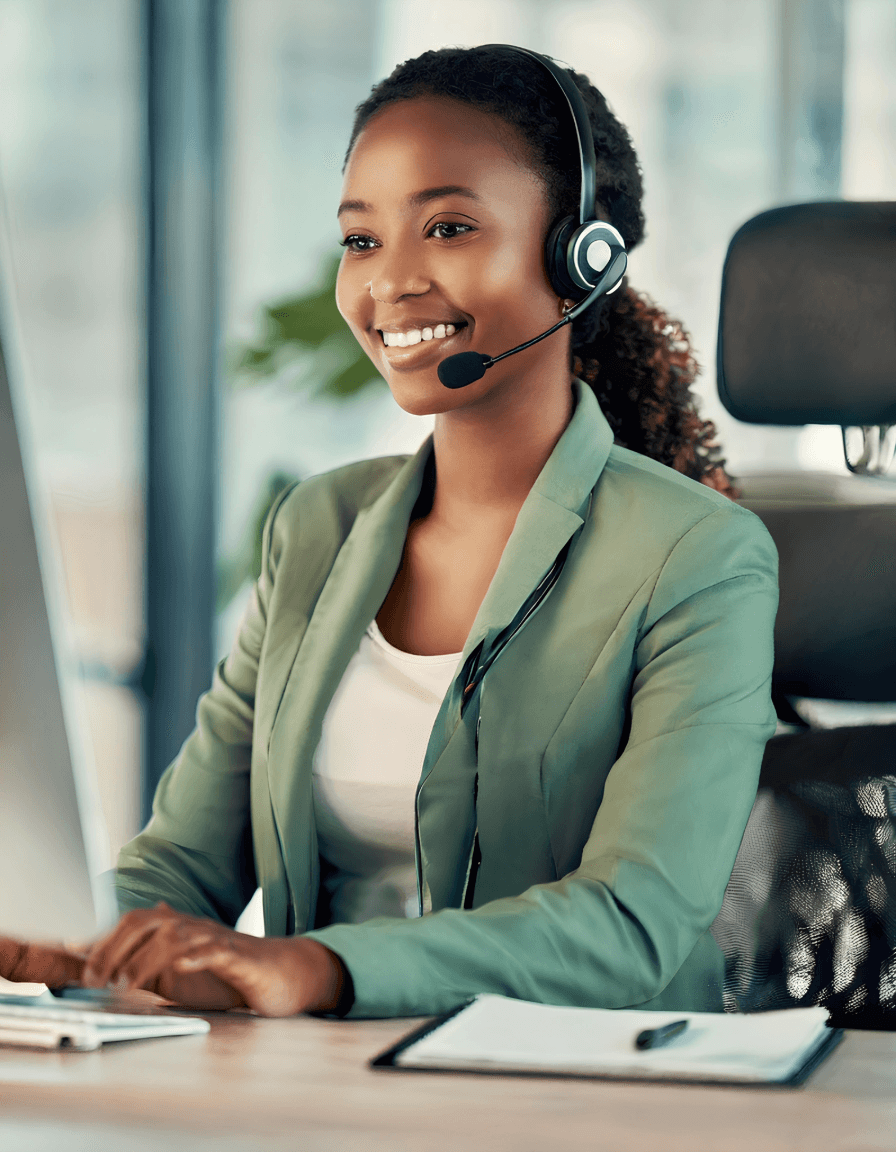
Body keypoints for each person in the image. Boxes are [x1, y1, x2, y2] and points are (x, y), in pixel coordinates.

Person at [1, 44, 777, 1019]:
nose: (390, 283)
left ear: (579, 256)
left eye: (447, 227)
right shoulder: (318, 527)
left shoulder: (695, 555)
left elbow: (633, 921)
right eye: (360, 241)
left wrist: (326, 969)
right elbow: (185, 862)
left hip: (581, 1084)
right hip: (321, 1078)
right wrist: (67, 935)